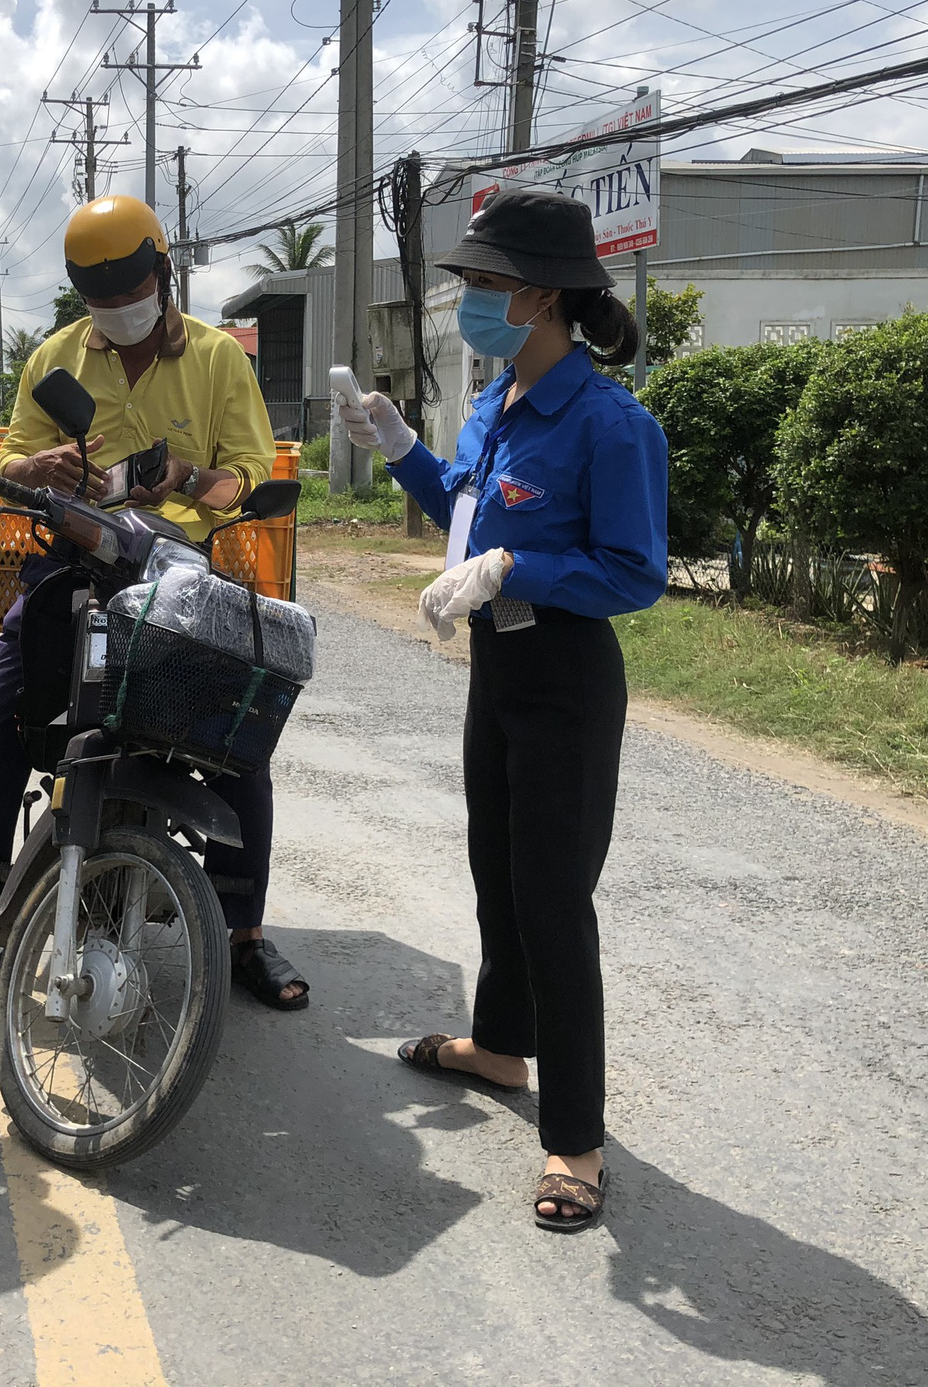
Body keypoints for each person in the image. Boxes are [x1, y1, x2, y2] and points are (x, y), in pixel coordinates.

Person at [342, 190, 668, 1232]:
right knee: (497, 871)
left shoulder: (610, 423)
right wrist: (398, 444)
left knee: (553, 903)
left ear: (536, 294)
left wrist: (510, 566)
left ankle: (574, 1138)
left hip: (566, 680)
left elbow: (632, 572)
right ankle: (497, 1046)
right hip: (498, 673)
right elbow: (464, 508)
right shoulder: (493, 405)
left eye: (481, 285)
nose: (468, 301)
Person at [0, 195, 311, 1013]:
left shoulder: (215, 358)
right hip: (73, 560)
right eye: (99, 299)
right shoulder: (55, 357)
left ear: (161, 274)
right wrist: (48, 467)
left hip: (178, 575)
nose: (117, 311)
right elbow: (12, 460)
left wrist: (184, 479)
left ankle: (244, 932)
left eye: (128, 291)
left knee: (242, 744)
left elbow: (242, 472)